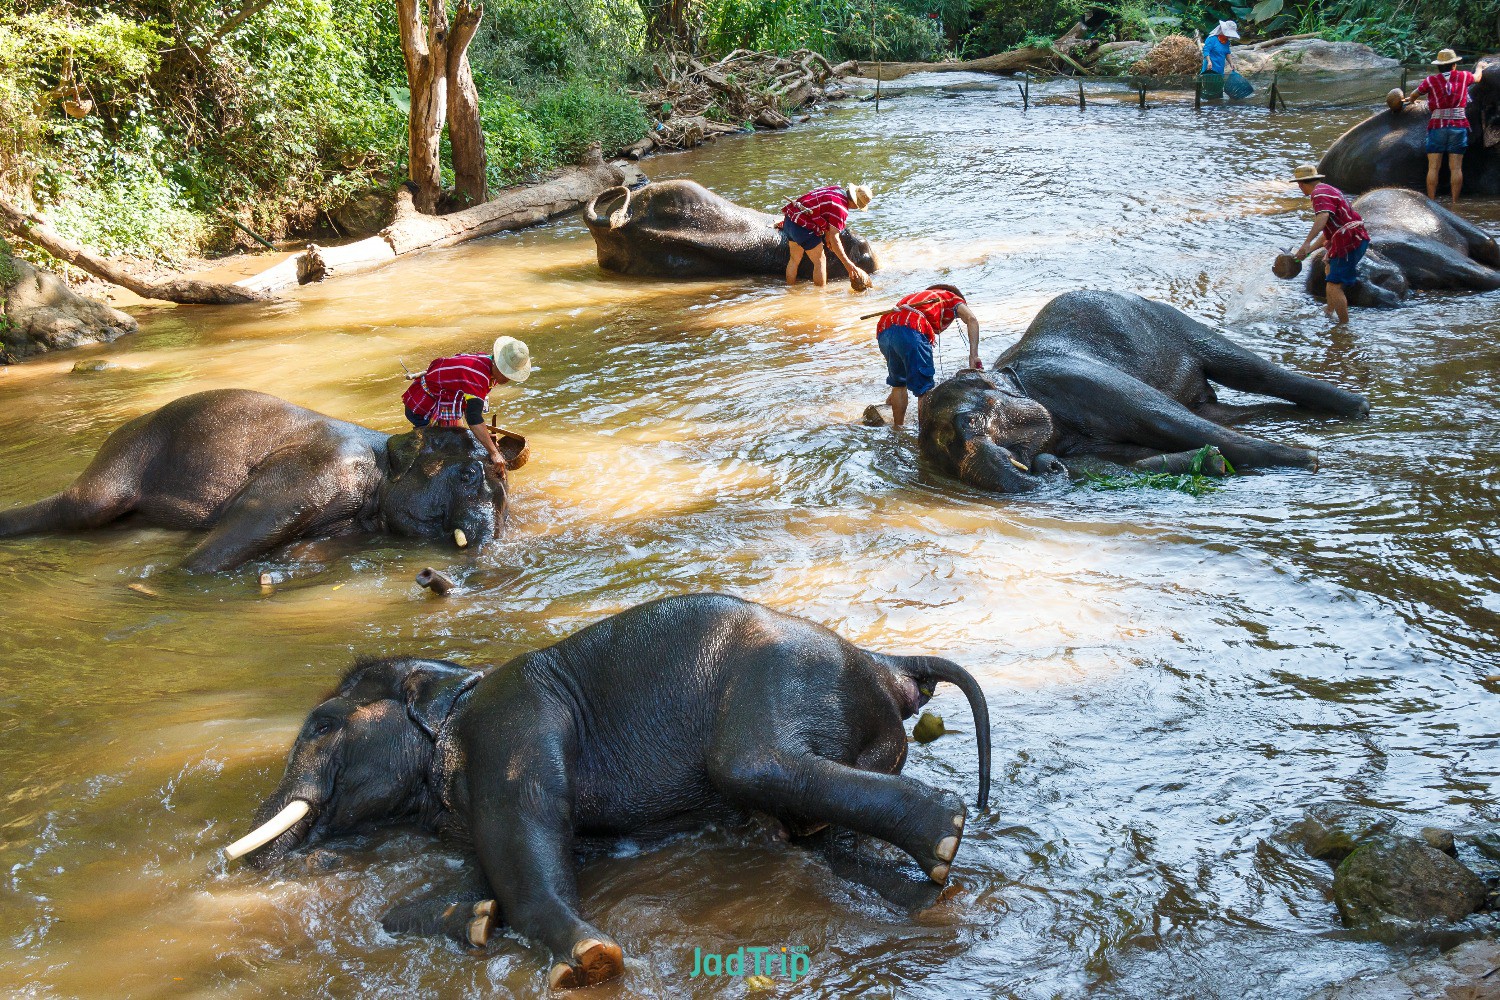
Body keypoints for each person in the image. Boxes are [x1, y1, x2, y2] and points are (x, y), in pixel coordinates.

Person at [402, 336, 531, 465]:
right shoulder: (478, 377)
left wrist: (483, 437)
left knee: (462, 439)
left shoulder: (487, 363)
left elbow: (471, 410)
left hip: (446, 401)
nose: (507, 379)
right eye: (506, 374)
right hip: (423, 406)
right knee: (438, 453)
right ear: (497, 364)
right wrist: (494, 453)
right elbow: (473, 419)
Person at [874, 284, 981, 428]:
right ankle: (923, 432)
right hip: (912, 328)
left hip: (885, 329)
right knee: (924, 390)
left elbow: (899, 329)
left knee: (899, 384)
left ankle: (897, 430)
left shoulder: (916, 297)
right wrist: (973, 355)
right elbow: (972, 319)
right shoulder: (953, 298)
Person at [1289, 165, 1370, 327]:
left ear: (1303, 183)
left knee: (1334, 286)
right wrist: (1308, 251)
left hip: (1349, 242)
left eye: (1299, 184)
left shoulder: (1318, 194)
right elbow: (1328, 232)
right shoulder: (1328, 189)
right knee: (1328, 270)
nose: (1299, 187)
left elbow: (1323, 217)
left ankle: (1343, 326)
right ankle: (1329, 310)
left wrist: (1306, 242)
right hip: (1353, 238)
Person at [1400, 48, 1484, 204]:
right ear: (1454, 65)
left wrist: (1411, 101)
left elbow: (1415, 94)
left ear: (1438, 66)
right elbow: (1478, 78)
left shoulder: (1430, 81)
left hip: (1437, 127)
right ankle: (1454, 203)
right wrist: (1480, 67)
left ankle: (1432, 201)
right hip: (1458, 126)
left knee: (1433, 168)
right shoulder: (1464, 76)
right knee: (1456, 168)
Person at [779, 183, 873, 288]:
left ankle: (790, 289)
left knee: (794, 259)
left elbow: (824, 210)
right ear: (855, 204)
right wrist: (849, 265)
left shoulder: (836, 190)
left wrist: (827, 234)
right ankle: (820, 296)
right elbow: (835, 239)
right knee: (820, 261)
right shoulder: (841, 208)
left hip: (790, 220)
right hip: (803, 227)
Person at [1201, 20, 1239, 98]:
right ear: (1222, 30)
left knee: (1218, 91)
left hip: (1220, 69)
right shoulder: (1211, 39)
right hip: (1210, 69)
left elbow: (1227, 52)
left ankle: (1217, 107)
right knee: (1209, 91)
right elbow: (1206, 51)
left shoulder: (1226, 42)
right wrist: (1209, 61)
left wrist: (1231, 63)